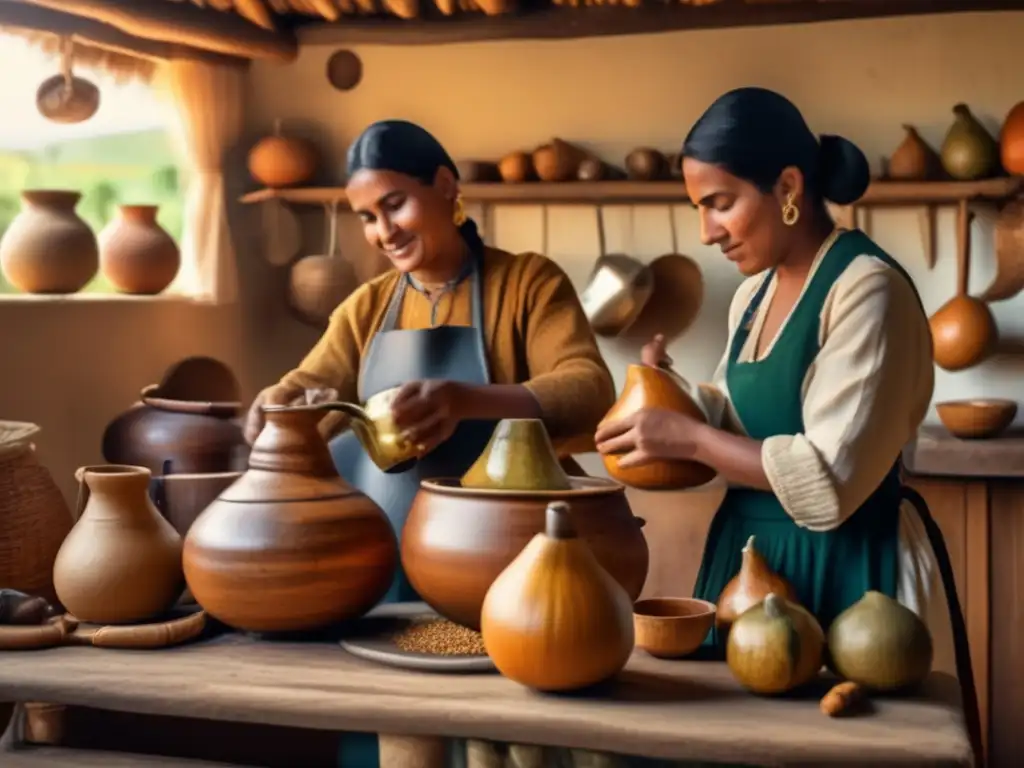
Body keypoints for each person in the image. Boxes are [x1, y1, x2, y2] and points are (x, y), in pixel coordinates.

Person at [594, 87, 981, 763]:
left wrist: (687, 437)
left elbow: (828, 485)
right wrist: (667, 395)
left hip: (852, 569)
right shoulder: (755, 293)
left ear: (789, 186)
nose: (707, 231)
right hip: (746, 563)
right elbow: (737, 414)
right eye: (699, 209)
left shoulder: (867, 289)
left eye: (719, 203)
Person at [243, 119, 615, 767]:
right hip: (387, 573)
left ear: (445, 187)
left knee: (516, 739)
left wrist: (468, 400)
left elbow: (587, 388)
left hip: (512, 566)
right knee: (398, 738)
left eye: (395, 204)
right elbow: (312, 389)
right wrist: (274, 409)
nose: (383, 231)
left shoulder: (527, 284)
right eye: (366, 216)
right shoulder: (366, 306)